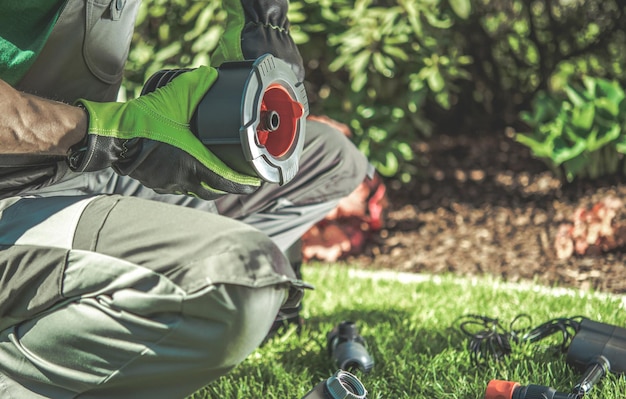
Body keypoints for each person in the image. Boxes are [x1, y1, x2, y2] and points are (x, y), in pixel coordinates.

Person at [0, 0, 371, 398]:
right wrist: (103, 132)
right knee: (239, 278)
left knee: (332, 159)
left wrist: (264, 19)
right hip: (14, 198)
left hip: (84, 169)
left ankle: (171, 301)